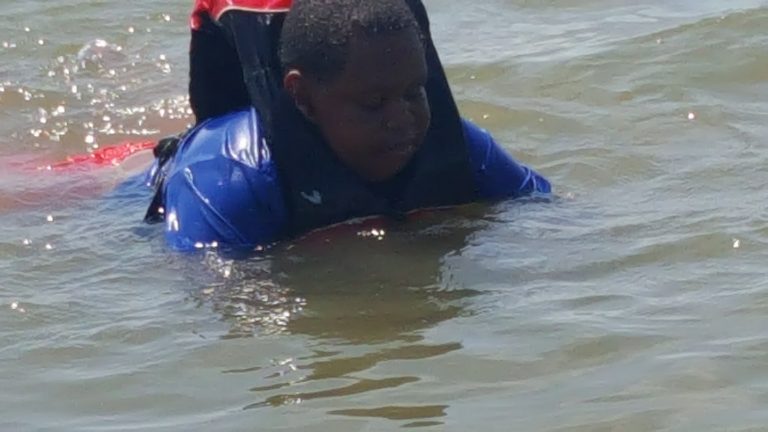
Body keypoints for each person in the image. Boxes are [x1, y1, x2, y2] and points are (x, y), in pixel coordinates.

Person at [144, 0, 552, 251]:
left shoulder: (458, 145)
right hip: (138, 186)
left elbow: (548, 219)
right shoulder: (228, 175)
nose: (402, 119)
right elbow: (214, 293)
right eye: (374, 103)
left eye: (414, 92)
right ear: (303, 98)